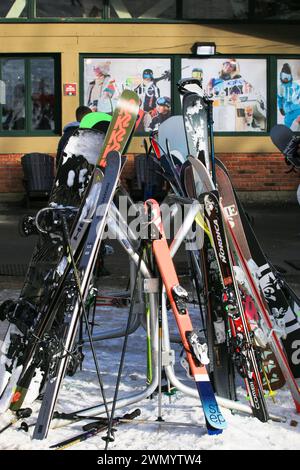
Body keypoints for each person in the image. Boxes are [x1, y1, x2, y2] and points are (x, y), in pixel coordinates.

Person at [278, 63, 300, 129]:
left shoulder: (295, 86)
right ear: (281, 77)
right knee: (287, 123)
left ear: (290, 77)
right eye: (284, 77)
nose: (285, 79)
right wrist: (280, 107)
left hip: (296, 109)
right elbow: (279, 98)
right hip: (288, 112)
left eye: (287, 77)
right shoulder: (280, 88)